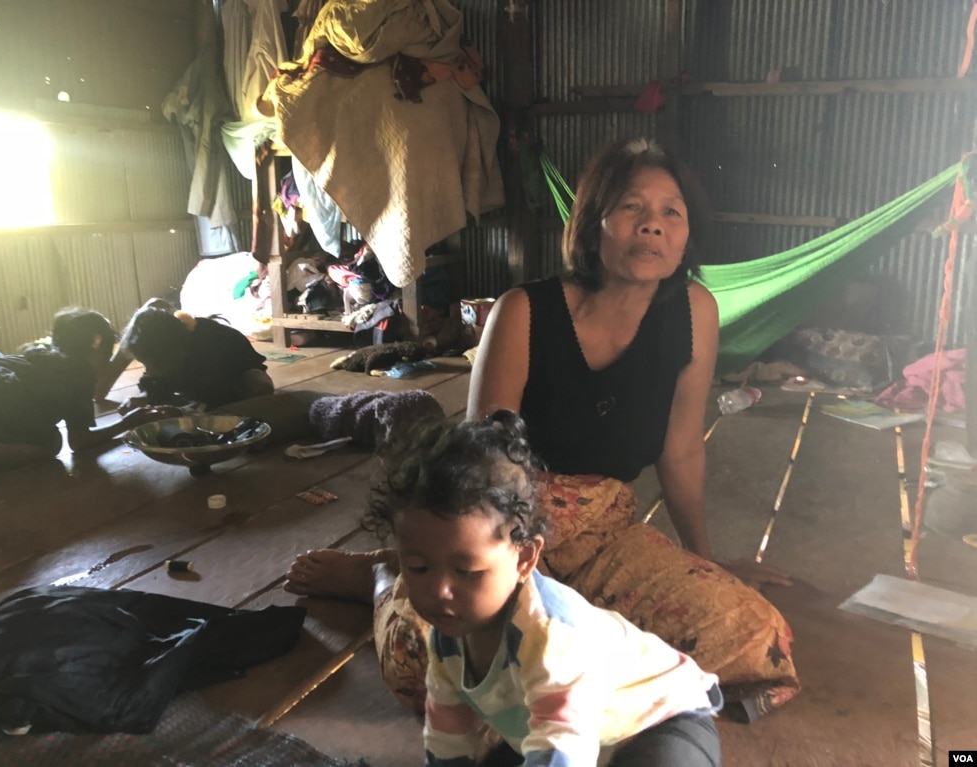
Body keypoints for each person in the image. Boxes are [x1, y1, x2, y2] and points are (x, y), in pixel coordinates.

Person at [285, 137, 797, 716]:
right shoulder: (524, 312)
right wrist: (493, 558)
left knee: (756, 637)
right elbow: (479, 471)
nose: (652, 226)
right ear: (591, 224)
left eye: (670, 212)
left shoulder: (694, 312)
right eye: (631, 207)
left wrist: (702, 561)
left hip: (606, 528)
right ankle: (389, 574)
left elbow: (680, 451)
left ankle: (493, 597)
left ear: (685, 235)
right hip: (509, 527)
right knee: (423, 662)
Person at [369, 411, 722, 767]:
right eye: (417, 567)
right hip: (576, 729)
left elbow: (564, 745)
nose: (440, 589)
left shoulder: (552, 636)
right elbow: (448, 732)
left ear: (524, 558)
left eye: (466, 571)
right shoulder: (446, 640)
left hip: (662, 720)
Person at [0, 308, 177, 467]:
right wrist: (128, 423)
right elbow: (79, 441)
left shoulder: (41, 353)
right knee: (50, 444)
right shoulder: (80, 371)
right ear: (97, 343)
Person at [114, 302, 274, 411]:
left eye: (152, 364)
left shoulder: (209, 345)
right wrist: (143, 398)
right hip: (200, 386)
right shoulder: (163, 353)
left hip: (235, 381)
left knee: (257, 384)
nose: (149, 369)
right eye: (145, 363)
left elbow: (217, 393)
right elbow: (155, 381)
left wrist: (185, 410)